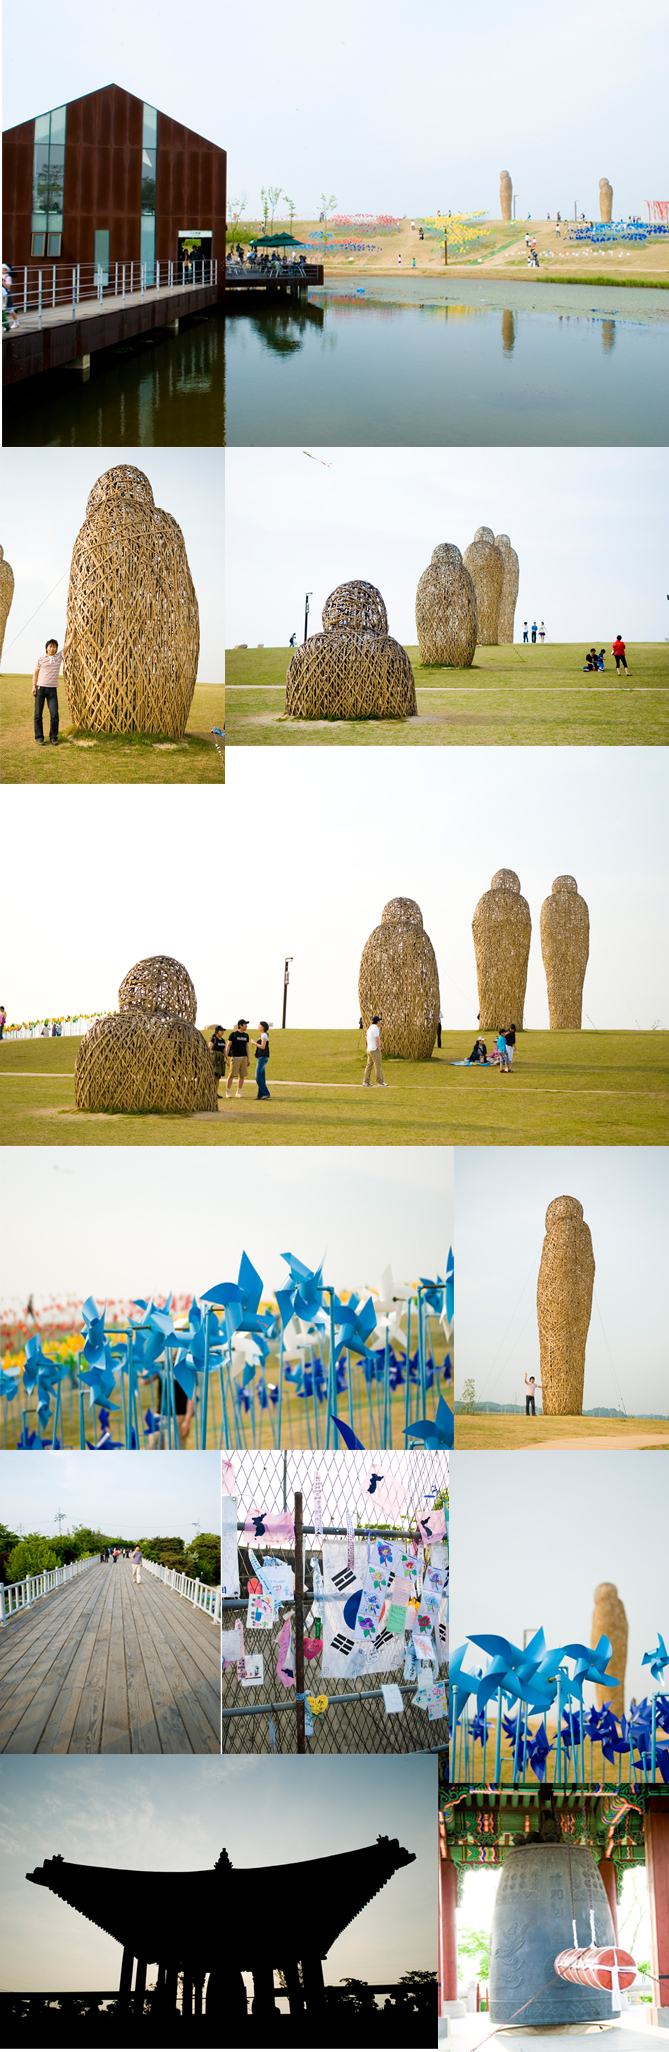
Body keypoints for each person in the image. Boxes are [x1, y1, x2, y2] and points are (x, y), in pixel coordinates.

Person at [33, 631, 73, 746]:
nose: (52, 648)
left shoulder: (58, 657)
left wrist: (73, 631)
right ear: (46, 648)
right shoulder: (41, 658)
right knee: (38, 714)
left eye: (54, 647)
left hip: (52, 690)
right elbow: (36, 673)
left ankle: (54, 737)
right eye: (50, 646)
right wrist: (33, 686)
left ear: (56, 649)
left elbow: (68, 645)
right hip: (40, 688)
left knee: (54, 714)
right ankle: (39, 737)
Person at [225, 1019, 250, 1098]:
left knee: (242, 1075)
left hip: (244, 1057)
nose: (246, 1026)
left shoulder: (246, 1035)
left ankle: (238, 1091)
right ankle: (228, 1091)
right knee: (232, 1075)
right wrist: (226, 1056)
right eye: (245, 1024)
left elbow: (247, 1047)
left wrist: (248, 1058)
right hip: (235, 1057)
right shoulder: (233, 1034)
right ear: (240, 1025)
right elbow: (228, 1045)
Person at [363, 1015, 387, 1087]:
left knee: (368, 1066)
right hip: (374, 1049)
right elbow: (377, 1039)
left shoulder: (369, 1028)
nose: (380, 1023)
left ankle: (366, 1081)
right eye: (379, 1021)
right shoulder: (376, 1028)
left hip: (369, 1049)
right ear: (377, 1022)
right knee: (377, 1066)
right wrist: (378, 1048)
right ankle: (380, 1082)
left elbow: (367, 1039)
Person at [209, 1025, 227, 1099]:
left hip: (220, 1060)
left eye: (223, 1031)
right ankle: (211, 1092)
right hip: (214, 1060)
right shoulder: (213, 1039)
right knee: (214, 1076)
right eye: (221, 1031)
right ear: (217, 1031)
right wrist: (216, 1053)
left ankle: (215, 1092)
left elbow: (224, 1050)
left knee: (218, 1077)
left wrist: (226, 1058)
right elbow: (208, 1049)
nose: (222, 1032)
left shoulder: (223, 1040)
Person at [254, 1019, 271, 1100]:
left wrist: (255, 1043)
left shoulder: (264, 1035)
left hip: (262, 1057)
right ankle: (260, 1095)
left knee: (258, 1076)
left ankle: (266, 1093)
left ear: (263, 1027)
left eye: (260, 1025)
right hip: (262, 1057)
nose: (258, 1026)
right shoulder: (263, 1035)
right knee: (261, 1077)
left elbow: (263, 1046)